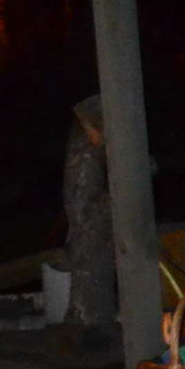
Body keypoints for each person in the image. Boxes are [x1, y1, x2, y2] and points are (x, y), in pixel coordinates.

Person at [60, 96, 115, 326]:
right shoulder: (83, 144)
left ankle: (89, 320)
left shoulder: (89, 145)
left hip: (89, 212)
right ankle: (87, 321)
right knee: (88, 267)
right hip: (86, 212)